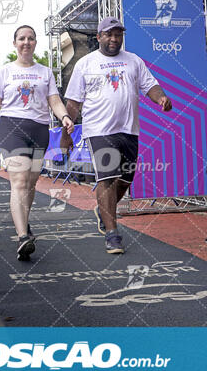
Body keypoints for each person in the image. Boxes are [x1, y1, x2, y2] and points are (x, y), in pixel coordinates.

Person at [62, 16, 172, 255]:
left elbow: (150, 86)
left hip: (129, 129)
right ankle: (112, 234)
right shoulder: (85, 63)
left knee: (125, 180)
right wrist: (66, 134)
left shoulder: (133, 61)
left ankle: (103, 211)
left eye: (118, 34)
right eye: (109, 34)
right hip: (99, 130)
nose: (114, 39)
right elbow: (73, 103)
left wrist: (160, 97)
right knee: (107, 178)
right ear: (99, 36)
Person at [0, 25, 74, 261]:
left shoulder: (45, 72)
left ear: (35, 43)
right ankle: (22, 237)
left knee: (30, 183)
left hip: (38, 130)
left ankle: (24, 225)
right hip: (12, 127)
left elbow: (54, 100)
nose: (26, 42)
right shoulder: (5, 71)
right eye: (21, 39)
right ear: (15, 43)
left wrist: (65, 117)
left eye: (30, 39)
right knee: (18, 179)